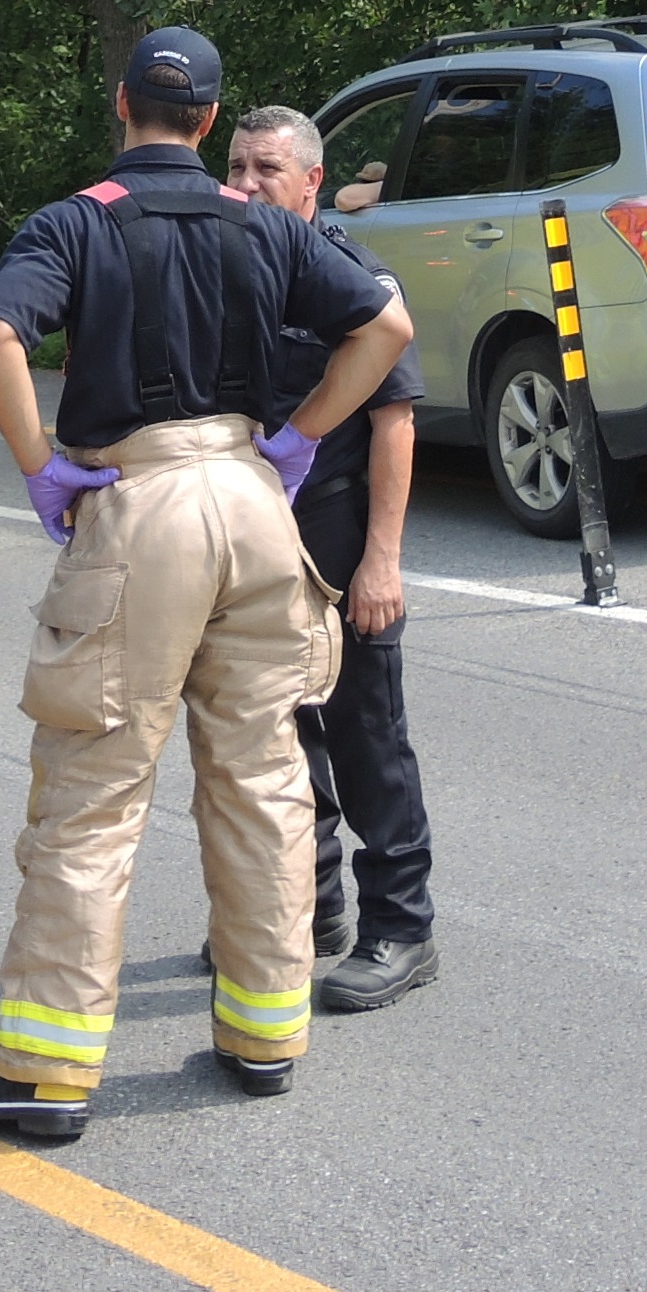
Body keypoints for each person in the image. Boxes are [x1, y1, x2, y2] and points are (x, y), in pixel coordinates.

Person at [0, 27, 413, 1141]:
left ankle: (45, 1072)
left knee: (92, 793)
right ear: (207, 121)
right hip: (251, 500)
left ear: (121, 105)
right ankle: (264, 1033)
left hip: (138, 500)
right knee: (261, 780)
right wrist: (299, 436)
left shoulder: (75, 221)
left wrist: (39, 464)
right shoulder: (264, 223)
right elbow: (384, 326)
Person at [223, 105, 438, 1010]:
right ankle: (309, 908)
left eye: (265, 169)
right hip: (252, 540)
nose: (245, 184)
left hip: (338, 533)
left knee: (364, 733)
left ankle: (402, 926)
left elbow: (394, 423)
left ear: (311, 182)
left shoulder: (351, 279)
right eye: (235, 166)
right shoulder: (229, 267)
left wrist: (380, 561)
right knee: (278, 732)